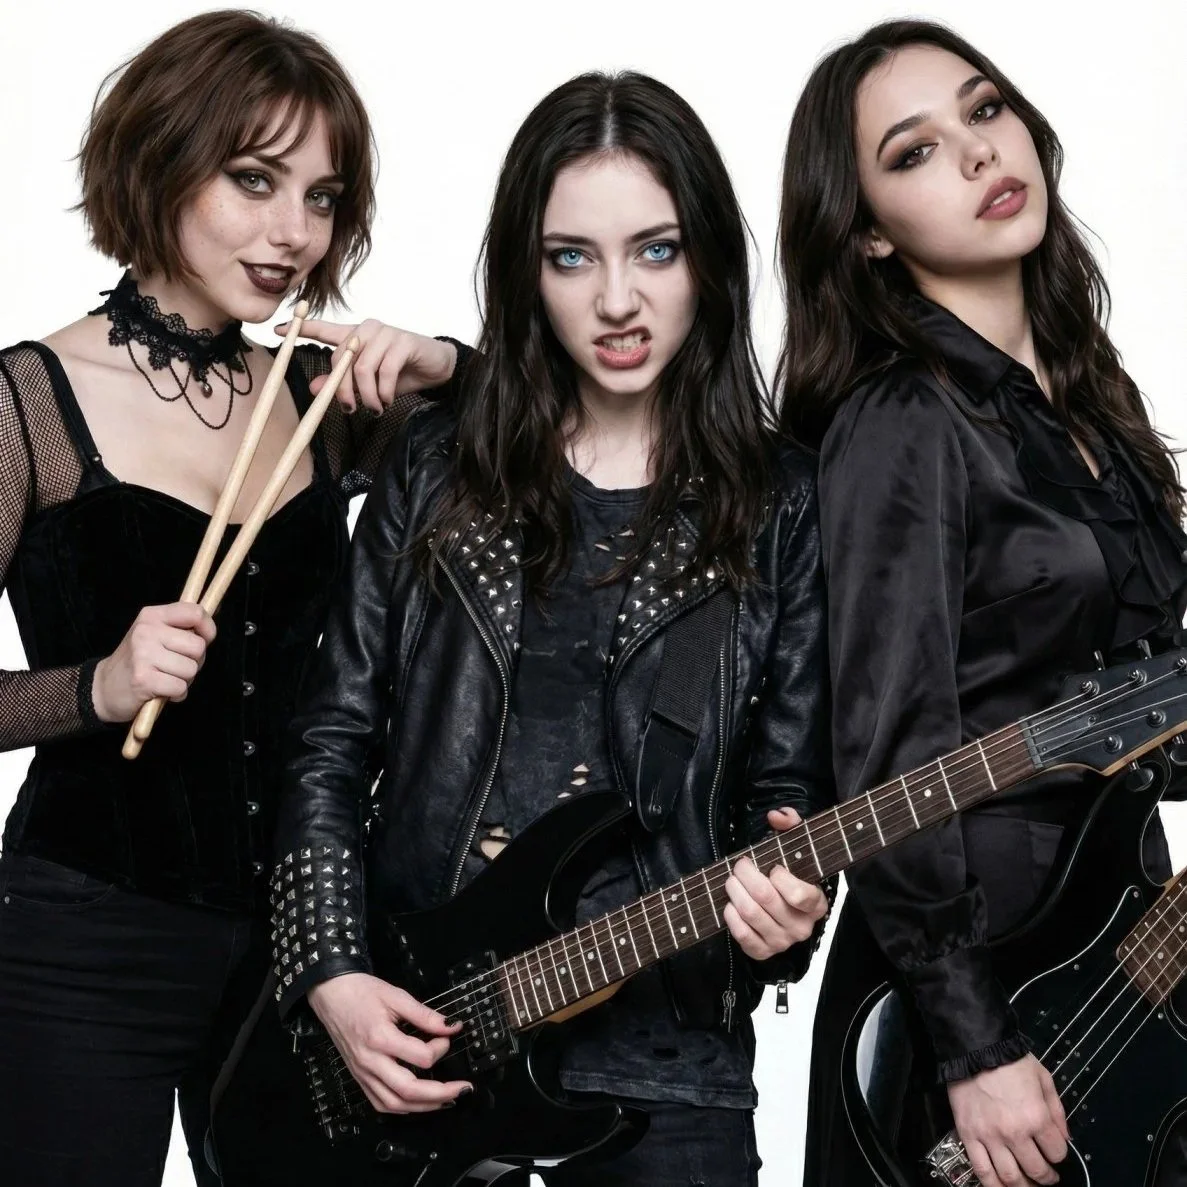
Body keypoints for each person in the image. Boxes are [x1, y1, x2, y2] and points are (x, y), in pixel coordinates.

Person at [271, 69, 833, 1187]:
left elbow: (788, 791)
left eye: (655, 251)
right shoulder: (438, 463)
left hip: (665, 1062)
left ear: (710, 262)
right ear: (526, 276)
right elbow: (330, 738)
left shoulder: (783, 499)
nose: (617, 300)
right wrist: (330, 968)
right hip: (421, 1031)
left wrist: (789, 915)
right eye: (571, 257)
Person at [0, 11, 463, 1186]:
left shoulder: (319, 398)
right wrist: (95, 686)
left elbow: (564, 419)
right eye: (254, 179)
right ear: (160, 158)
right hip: (85, 930)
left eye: (322, 197)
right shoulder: (30, 400)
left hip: (305, 944)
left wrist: (445, 362)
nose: (293, 231)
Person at [777, 18, 1187, 1187]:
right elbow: (884, 758)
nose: (973, 153)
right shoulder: (901, 421)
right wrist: (974, 1044)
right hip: (974, 995)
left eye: (983, 108)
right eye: (911, 152)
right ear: (864, 230)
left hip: (1116, 956)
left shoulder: (1091, 402)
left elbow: (1140, 710)